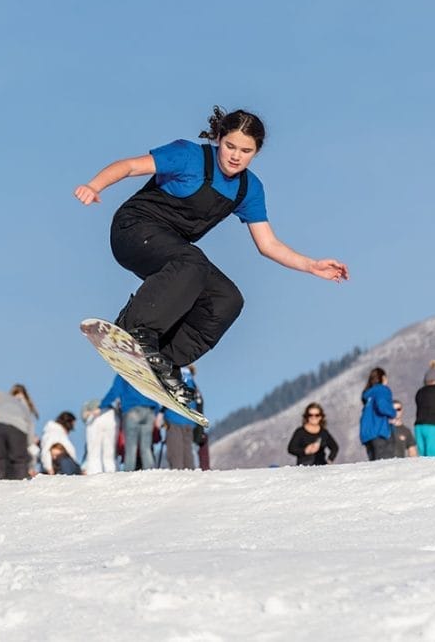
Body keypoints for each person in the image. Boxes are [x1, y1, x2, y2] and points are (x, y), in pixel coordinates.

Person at [73, 107, 349, 404]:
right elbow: (129, 166)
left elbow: (268, 244)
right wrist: (94, 185)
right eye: (230, 146)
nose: (236, 156)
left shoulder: (248, 189)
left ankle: (163, 360)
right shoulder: (188, 156)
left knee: (226, 298)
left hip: (173, 251)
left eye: (246, 151)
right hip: (132, 230)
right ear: (219, 139)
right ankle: (137, 330)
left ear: (256, 152)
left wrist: (311, 265)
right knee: (193, 262)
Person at [0, 384, 39, 480]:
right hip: (18, 430)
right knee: (19, 461)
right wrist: (29, 443)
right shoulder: (25, 407)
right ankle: (21, 484)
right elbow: (30, 427)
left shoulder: (4, 396)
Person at [98, 374, 159, 472]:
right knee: (146, 447)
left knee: (131, 447)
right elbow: (155, 391)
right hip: (149, 410)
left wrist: (101, 406)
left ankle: (128, 473)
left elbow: (115, 391)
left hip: (132, 410)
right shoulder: (145, 372)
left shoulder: (124, 372)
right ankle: (150, 472)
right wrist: (155, 410)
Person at [163, 367, 201, 470]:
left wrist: (162, 413)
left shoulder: (173, 373)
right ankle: (190, 476)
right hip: (189, 421)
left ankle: (178, 476)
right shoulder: (191, 380)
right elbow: (198, 402)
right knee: (187, 452)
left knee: (175, 453)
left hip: (174, 418)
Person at [359, 367, 397, 461]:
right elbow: (382, 406)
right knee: (385, 465)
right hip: (380, 432)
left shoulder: (369, 394)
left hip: (367, 435)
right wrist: (393, 413)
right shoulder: (382, 390)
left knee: (375, 466)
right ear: (383, 378)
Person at [81, 399, 117, 474]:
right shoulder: (108, 406)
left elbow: (84, 416)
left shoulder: (86, 405)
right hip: (111, 416)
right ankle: (111, 472)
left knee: (94, 452)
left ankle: (94, 473)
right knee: (109, 452)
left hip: (94, 418)